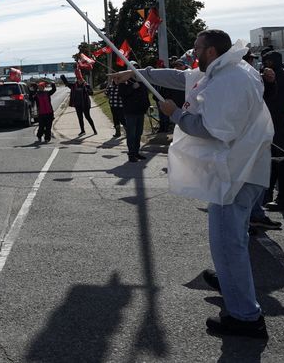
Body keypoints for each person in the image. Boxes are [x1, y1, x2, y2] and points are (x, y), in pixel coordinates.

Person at [110, 30, 274, 338]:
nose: (192, 51)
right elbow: (179, 76)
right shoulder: (229, 69)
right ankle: (231, 285)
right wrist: (133, 72)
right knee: (232, 240)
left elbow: (212, 129)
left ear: (210, 51)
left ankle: (246, 317)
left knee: (228, 244)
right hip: (243, 168)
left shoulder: (229, 81)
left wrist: (176, 115)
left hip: (238, 173)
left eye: (197, 47)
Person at [260, 50, 284, 211]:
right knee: (274, 159)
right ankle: (269, 195)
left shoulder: (278, 75)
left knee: (281, 159)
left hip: (277, 120)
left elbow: (270, 97)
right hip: (281, 119)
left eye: (266, 62)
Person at [118, 62, 150, 162]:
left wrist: (147, 106)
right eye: (132, 68)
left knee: (138, 133)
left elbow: (145, 95)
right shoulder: (124, 81)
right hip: (130, 111)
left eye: (136, 67)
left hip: (140, 110)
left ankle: (136, 152)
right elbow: (122, 94)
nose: (135, 69)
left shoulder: (141, 80)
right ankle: (131, 154)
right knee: (131, 134)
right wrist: (132, 87)